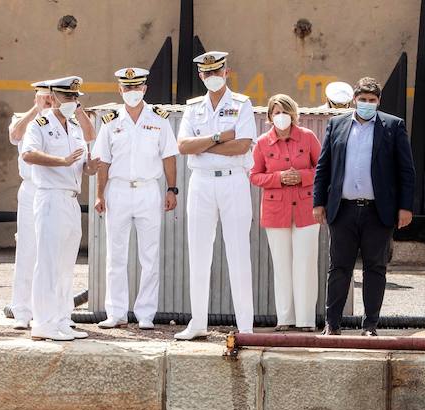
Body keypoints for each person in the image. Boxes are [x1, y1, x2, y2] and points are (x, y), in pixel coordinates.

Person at [313, 76, 416, 337]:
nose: (367, 104)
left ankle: (370, 325)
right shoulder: (336, 125)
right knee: (339, 268)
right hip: (343, 209)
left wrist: (405, 207)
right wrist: (318, 202)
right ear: (354, 100)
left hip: (377, 211)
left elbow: (406, 170)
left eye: (372, 100)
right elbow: (324, 167)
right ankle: (332, 323)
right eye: (363, 100)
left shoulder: (393, 126)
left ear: (378, 102)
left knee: (375, 267)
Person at [174, 51, 256, 341]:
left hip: (233, 182)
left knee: (238, 253)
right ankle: (198, 323)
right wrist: (220, 137)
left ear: (226, 72)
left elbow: (243, 146)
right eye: (206, 73)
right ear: (200, 75)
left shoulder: (242, 104)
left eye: (216, 72)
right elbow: (183, 146)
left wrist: (203, 146)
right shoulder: (193, 108)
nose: (211, 77)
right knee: (198, 254)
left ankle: (246, 326)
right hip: (201, 183)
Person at [93, 67, 179, 330]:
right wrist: (99, 194)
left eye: (136, 88)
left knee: (149, 256)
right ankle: (116, 312)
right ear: (120, 90)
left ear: (144, 89)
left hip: (148, 190)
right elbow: (103, 161)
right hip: (117, 190)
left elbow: (169, 156)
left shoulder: (160, 119)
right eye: (127, 88)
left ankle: (145, 314)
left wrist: (171, 189)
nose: (132, 92)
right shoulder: (110, 121)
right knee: (115, 255)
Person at [20, 77, 89, 342]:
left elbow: (80, 162)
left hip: (71, 197)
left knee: (65, 264)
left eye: (75, 98)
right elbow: (28, 154)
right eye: (67, 97)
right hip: (50, 197)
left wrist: (89, 166)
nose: (72, 102)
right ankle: (43, 323)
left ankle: (62, 319)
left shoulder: (74, 126)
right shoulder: (40, 124)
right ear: (54, 97)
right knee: (48, 262)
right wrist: (60, 161)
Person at [250, 93, 321, 331]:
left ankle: (306, 320)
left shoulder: (308, 137)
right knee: (281, 266)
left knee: (306, 264)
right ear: (270, 116)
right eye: (276, 112)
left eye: (285, 111)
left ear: (294, 114)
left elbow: (322, 169)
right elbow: (254, 175)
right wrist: (278, 178)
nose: (281, 117)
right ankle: (285, 318)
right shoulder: (261, 142)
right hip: (275, 210)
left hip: (306, 209)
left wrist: (301, 176)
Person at [6, 89, 47, 331]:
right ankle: (21, 310)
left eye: (51, 96)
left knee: (52, 252)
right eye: (43, 96)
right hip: (32, 189)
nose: (48, 101)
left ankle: (48, 310)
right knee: (27, 249)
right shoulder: (23, 118)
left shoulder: (63, 121)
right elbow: (14, 135)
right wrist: (36, 110)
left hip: (54, 190)